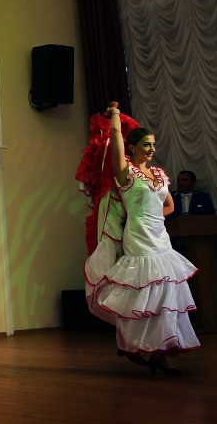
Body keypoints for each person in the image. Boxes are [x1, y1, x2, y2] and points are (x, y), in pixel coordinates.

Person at [84, 102, 200, 375]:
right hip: (138, 239)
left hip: (161, 239)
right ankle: (132, 343)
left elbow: (169, 206)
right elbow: (115, 136)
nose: (151, 149)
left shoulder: (159, 174)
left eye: (153, 145)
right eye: (146, 145)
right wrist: (114, 114)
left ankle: (160, 353)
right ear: (132, 147)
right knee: (141, 294)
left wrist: (152, 218)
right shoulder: (126, 172)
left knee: (166, 294)